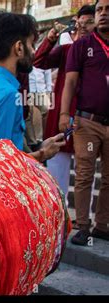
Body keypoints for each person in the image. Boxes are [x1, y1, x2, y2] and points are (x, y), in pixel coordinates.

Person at [0, 12, 65, 162]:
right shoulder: (6, 94)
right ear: (19, 48)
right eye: (32, 45)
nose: (34, 52)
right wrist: (43, 154)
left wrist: (39, 147)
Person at [59, 0, 109, 245]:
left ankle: (102, 226)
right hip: (87, 121)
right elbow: (69, 83)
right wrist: (63, 115)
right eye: (100, 10)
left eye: (108, 10)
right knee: (84, 175)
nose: (103, 14)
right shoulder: (82, 46)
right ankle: (82, 226)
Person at [34, 5, 96, 197]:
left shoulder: (103, 53)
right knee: (56, 167)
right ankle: (58, 212)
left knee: (86, 170)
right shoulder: (66, 50)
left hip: (89, 121)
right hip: (62, 119)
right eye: (80, 23)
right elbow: (39, 61)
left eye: (89, 23)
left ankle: (82, 219)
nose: (84, 27)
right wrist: (51, 36)